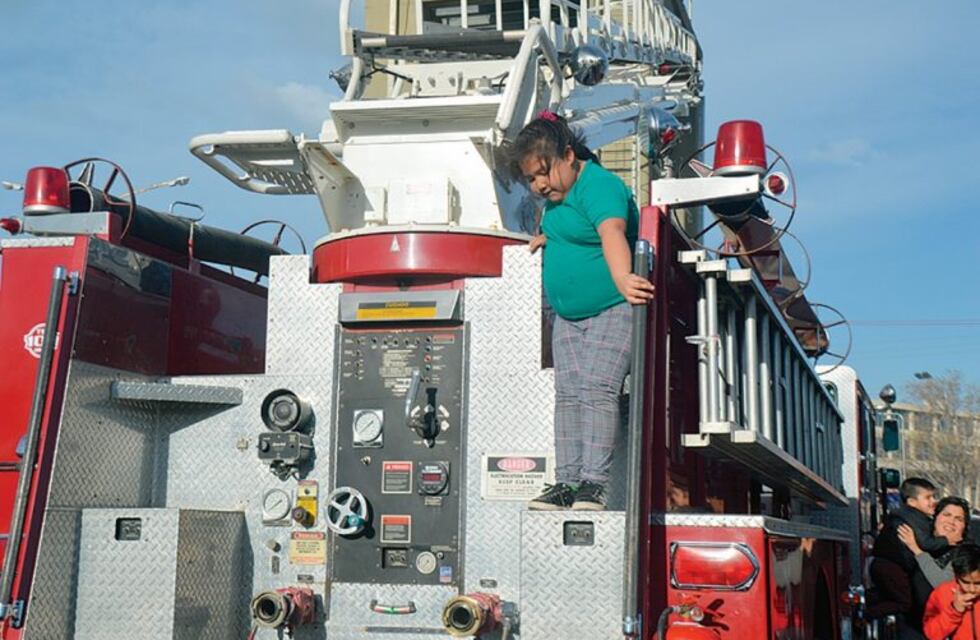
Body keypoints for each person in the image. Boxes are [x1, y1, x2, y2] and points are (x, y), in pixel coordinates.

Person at [514, 111, 654, 511]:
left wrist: (623, 278)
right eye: (531, 179)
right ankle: (567, 483)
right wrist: (546, 236)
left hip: (611, 308)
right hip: (568, 318)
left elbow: (611, 232)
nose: (539, 185)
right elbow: (572, 227)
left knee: (596, 388)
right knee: (568, 397)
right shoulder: (556, 200)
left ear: (569, 156)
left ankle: (594, 484)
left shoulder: (600, 185)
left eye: (543, 173)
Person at [869, 478, 952, 636]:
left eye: (934, 497)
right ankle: (867, 613)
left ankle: (871, 602)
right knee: (904, 602)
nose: (933, 501)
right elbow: (925, 542)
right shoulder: (911, 518)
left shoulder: (912, 516)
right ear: (912, 502)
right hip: (891, 566)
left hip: (889, 566)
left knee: (897, 597)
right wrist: (947, 540)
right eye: (928, 498)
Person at [898, 497, 971, 589]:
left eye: (959, 519)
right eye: (947, 515)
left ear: (965, 526)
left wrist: (916, 550)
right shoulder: (916, 538)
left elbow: (942, 583)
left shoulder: (967, 552)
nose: (951, 522)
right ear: (935, 517)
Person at [922, 543, 980, 640]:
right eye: (965, 582)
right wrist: (954, 610)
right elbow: (931, 634)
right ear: (956, 576)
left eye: (978, 583)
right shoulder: (942, 593)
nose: (972, 589)